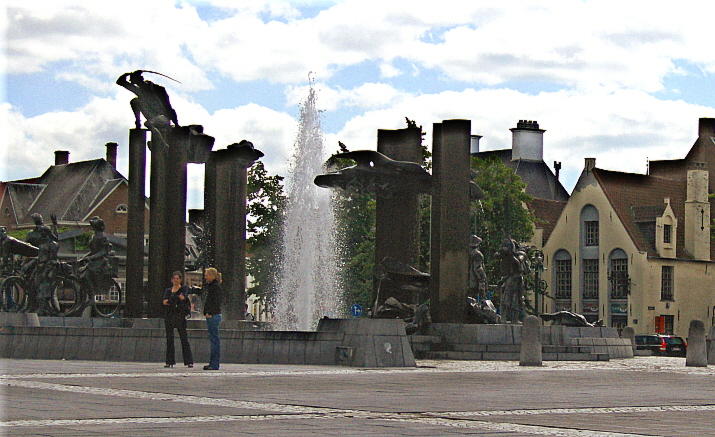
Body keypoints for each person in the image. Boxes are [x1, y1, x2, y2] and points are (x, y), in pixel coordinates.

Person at [162, 271, 193, 368]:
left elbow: (182, 298)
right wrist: (177, 298)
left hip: (180, 316)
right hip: (169, 316)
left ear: (180, 280)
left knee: (184, 339)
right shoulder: (168, 290)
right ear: (171, 280)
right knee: (169, 339)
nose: (176, 280)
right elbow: (164, 302)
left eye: (178, 278)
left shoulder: (184, 288)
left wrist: (172, 300)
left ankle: (189, 361)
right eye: (174, 278)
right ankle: (169, 361)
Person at [202, 267, 222, 370]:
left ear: (212, 276)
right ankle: (212, 363)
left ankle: (214, 364)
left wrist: (209, 312)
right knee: (214, 339)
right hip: (213, 315)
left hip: (213, 315)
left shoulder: (215, 287)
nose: (205, 277)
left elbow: (215, 302)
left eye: (206, 275)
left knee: (214, 340)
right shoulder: (213, 286)